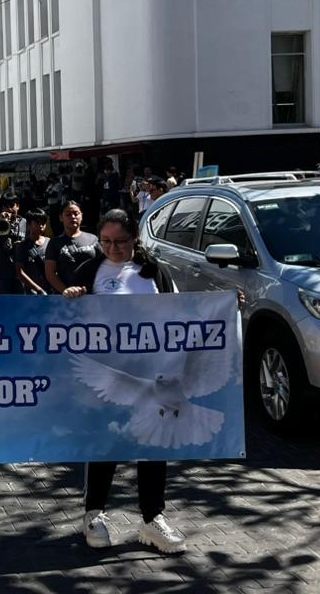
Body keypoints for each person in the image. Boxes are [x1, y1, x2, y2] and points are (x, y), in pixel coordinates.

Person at [62, 209, 186, 555]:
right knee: (104, 443)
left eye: (121, 242)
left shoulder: (154, 272)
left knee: (152, 446)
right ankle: (94, 514)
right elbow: (66, 321)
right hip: (107, 377)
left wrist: (223, 308)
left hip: (152, 374)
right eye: (105, 242)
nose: (113, 249)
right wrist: (72, 296)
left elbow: (182, 311)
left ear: (135, 239)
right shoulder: (90, 270)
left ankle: (152, 518)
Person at [44, 200, 100, 294]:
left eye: (76, 213)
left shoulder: (93, 239)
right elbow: (50, 274)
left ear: (81, 216)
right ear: (61, 218)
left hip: (92, 296)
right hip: (66, 299)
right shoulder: (54, 242)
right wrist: (66, 291)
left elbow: (104, 265)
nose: (73, 217)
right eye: (68, 214)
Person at [0, 195, 24, 295]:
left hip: (21, 271)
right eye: (5, 206)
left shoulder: (25, 223)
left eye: (11, 205)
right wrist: (0, 220)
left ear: (18, 206)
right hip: (3, 271)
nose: (9, 209)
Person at [17, 209, 54, 295]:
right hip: (32, 293)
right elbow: (20, 272)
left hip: (51, 291)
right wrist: (38, 289)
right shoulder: (22, 246)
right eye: (37, 223)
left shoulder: (51, 243)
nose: (41, 226)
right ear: (29, 225)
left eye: (43, 223)